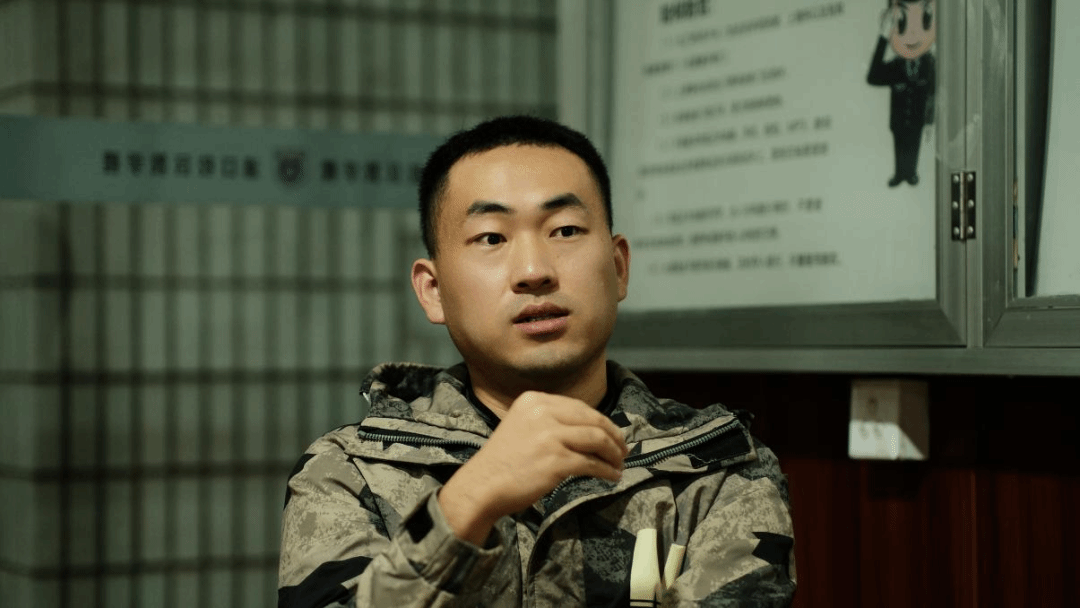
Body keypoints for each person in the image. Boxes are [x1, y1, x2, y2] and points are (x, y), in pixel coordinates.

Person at [277, 116, 796, 607]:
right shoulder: (351, 471)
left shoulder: (720, 469)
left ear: (618, 267)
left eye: (565, 230)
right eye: (491, 238)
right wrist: (468, 500)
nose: (533, 270)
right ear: (433, 291)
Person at [867, 0, 937, 187]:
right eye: (901, 22)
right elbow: (873, 77)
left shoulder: (929, 64)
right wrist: (882, 38)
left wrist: (930, 120)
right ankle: (900, 174)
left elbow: (934, 92)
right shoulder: (896, 65)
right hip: (898, 120)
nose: (912, 34)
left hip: (917, 118)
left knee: (914, 145)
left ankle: (911, 173)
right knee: (899, 145)